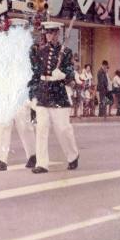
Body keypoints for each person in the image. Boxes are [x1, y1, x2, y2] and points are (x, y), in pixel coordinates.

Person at [30, 22, 79, 174]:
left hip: (58, 92)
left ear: (58, 34)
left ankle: (73, 155)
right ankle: (42, 163)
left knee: (63, 129)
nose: (50, 36)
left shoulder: (66, 52)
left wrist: (63, 75)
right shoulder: (40, 52)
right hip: (43, 92)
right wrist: (32, 95)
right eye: (48, 33)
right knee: (41, 129)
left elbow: (71, 72)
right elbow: (35, 74)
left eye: (53, 33)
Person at [0, 18, 37, 171]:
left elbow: (33, 72)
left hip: (21, 92)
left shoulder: (29, 49)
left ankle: (33, 154)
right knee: (3, 125)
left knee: (24, 126)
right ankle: (1, 159)